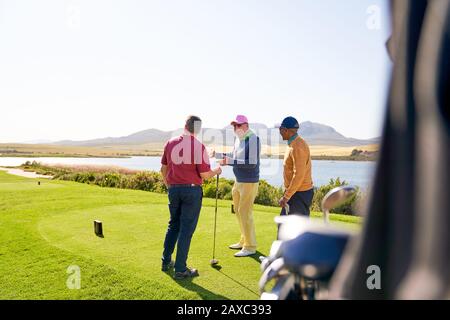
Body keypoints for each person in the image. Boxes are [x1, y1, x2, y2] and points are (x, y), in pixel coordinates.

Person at [160, 115, 222, 280]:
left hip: (174, 190)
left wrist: (169, 186)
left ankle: (166, 262)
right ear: (199, 129)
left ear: (185, 126)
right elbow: (205, 174)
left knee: (173, 225)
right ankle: (180, 269)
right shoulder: (198, 146)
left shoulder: (170, 143)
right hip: (192, 192)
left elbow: (163, 169)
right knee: (186, 230)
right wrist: (216, 171)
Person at [215, 115, 261, 257]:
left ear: (246, 125)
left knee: (245, 212)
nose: (236, 128)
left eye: (238, 125)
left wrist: (230, 161)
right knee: (237, 210)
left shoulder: (253, 139)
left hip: (249, 181)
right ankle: (243, 240)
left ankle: (250, 246)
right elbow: (233, 155)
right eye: (234, 126)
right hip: (239, 180)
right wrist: (219, 155)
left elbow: (251, 162)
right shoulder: (238, 139)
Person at [278, 116, 314, 218]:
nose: (280, 131)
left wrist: (286, 197)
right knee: (284, 227)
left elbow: (299, 175)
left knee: (295, 230)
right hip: (295, 192)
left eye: (281, 129)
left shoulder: (298, 146)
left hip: (299, 194)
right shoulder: (292, 144)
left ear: (287, 130)